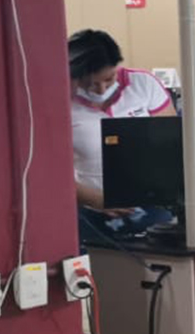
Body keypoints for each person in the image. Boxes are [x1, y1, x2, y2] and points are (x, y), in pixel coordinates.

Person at [69, 29, 175, 238]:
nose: (101, 90)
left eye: (109, 79)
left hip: (150, 205)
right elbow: (51, 172)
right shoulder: (62, 100)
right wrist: (97, 200)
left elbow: (171, 143)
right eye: (91, 84)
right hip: (90, 209)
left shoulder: (143, 84)